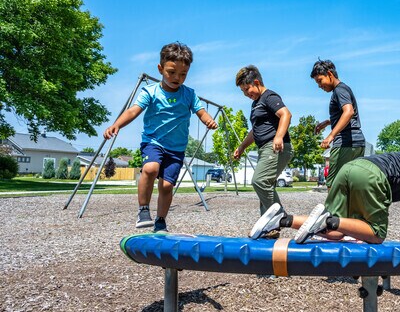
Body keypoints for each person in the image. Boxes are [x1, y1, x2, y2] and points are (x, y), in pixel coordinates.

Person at [249, 132, 400, 252]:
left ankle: (281, 219)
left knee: (338, 232)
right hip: (373, 176)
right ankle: (326, 221)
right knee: (375, 233)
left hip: (350, 168)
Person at [103, 42, 217, 232]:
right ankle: (143, 210)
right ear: (160, 68)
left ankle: (160, 220)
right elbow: (133, 111)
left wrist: (208, 121)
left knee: (166, 186)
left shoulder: (189, 94)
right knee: (150, 168)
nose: (177, 78)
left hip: (176, 149)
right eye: (171, 72)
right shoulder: (151, 92)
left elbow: (201, 111)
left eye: (183, 74)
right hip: (153, 142)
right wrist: (116, 124)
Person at [234, 65, 293, 238]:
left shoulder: (269, 96)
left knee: (259, 181)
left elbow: (286, 115)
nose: (247, 94)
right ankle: (269, 228)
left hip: (275, 146)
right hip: (265, 148)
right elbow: (255, 130)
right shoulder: (256, 103)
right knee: (265, 187)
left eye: (247, 89)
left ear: (257, 82)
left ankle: (279, 217)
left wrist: (279, 136)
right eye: (243, 92)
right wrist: (242, 147)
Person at [311, 59, 365, 188]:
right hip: (357, 143)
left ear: (330, 74)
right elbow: (346, 115)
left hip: (345, 144)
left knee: (334, 184)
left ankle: (333, 209)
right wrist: (328, 122)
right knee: (351, 184)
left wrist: (331, 136)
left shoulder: (339, 90)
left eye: (320, 81)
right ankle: (351, 209)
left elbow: (349, 112)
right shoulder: (343, 89)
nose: (319, 85)